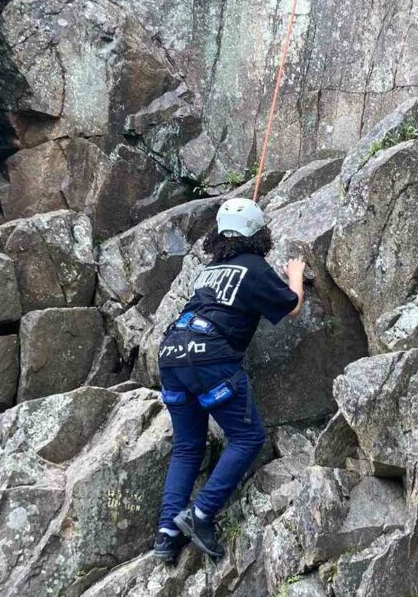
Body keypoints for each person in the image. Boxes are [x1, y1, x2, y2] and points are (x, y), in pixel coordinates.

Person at [152, 197, 305, 564]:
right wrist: (296, 273)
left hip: (172, 354)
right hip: (209, 358)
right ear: (258, 232)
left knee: (188, 447)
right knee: (248, 436)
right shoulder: (253, 267)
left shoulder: (209, 270)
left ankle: (166, 534)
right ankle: (200, 514)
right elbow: (291, 306)